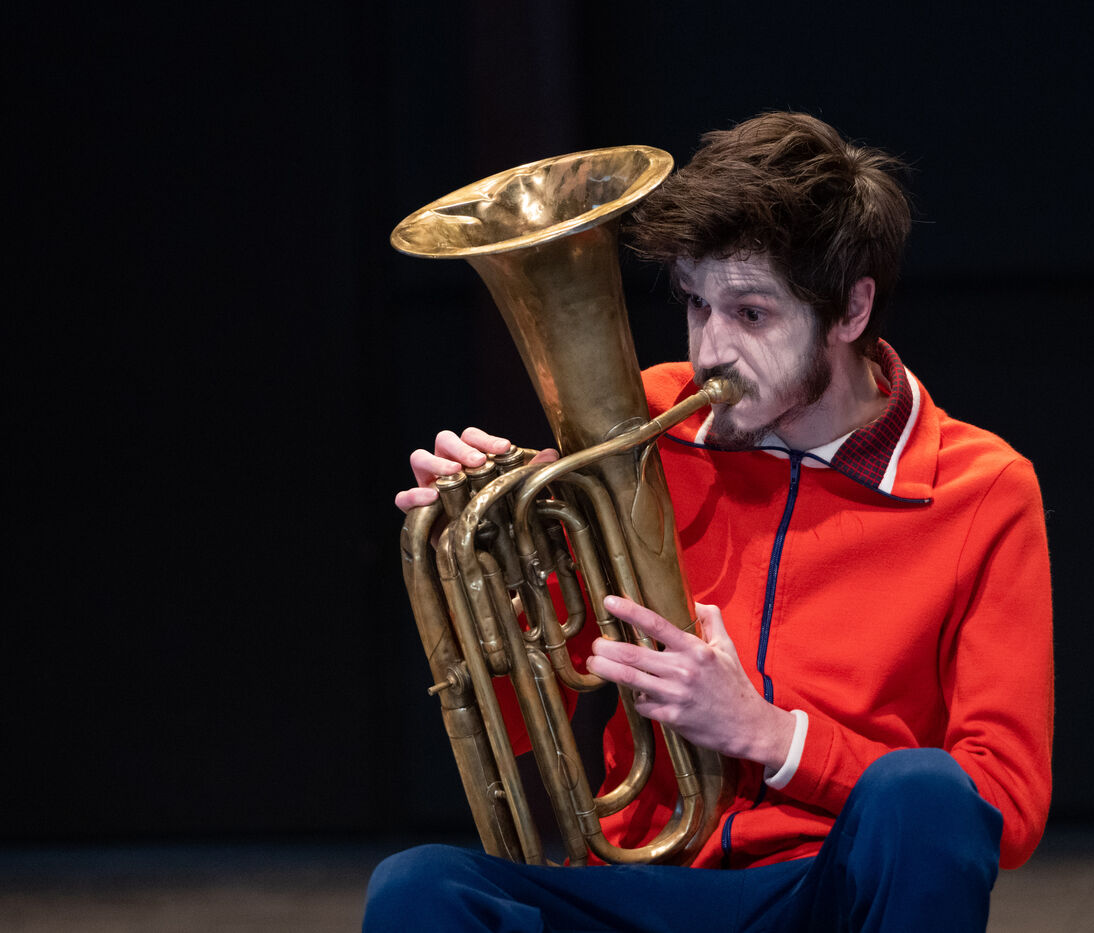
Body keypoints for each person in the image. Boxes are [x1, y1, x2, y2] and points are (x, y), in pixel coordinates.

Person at [367, 112, 1053, 933]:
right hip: (642, 887)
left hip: (820, 891)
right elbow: (515, 728)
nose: (710, 350)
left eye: (751, 314)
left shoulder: (984, 490)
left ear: (851, 309)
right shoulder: (638, 424)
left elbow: (1003, 803)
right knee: (418, 886)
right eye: (696, 304)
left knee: (927, 795)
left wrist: (773, 734)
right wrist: (500, 572)